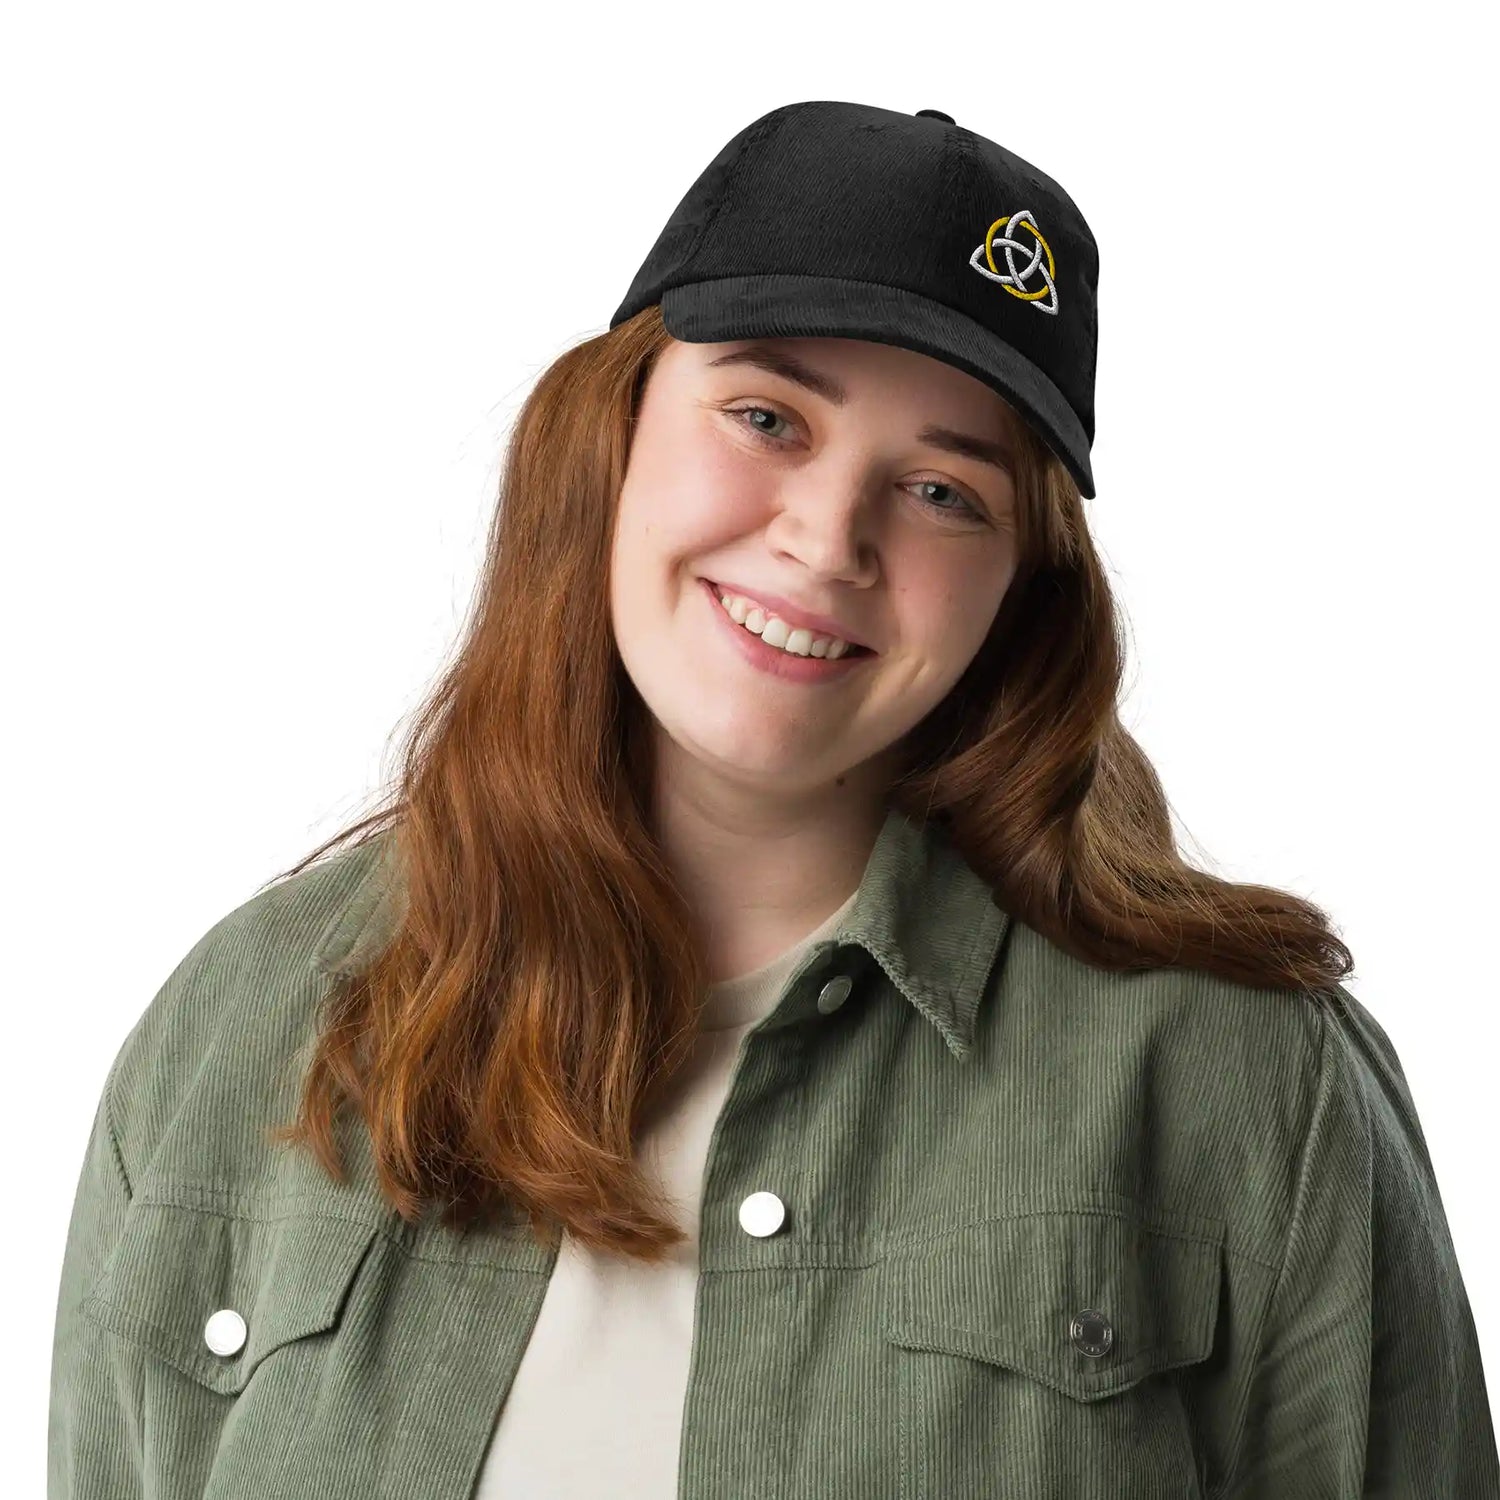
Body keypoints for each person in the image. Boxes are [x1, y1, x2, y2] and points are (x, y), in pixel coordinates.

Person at [47, 100, 1499, 1499]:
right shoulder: (243, 1030)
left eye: (945, 492)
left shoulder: (1247, 1084)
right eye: (765, 415)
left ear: (1020, 586)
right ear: (603, 435)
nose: (827, 540)